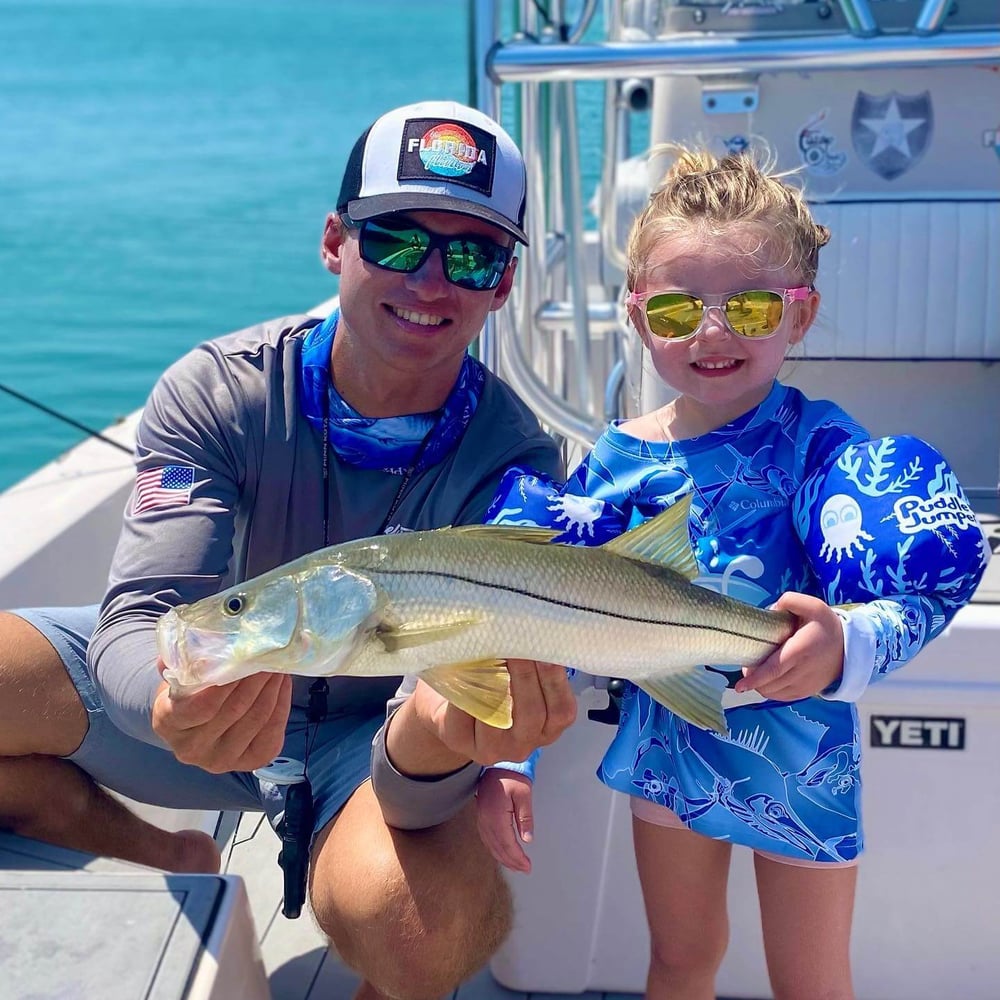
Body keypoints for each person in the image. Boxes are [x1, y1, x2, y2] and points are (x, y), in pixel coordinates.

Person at [0, 100, 578, 1000]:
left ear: (502, 285)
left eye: (472, 256)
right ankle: (165, 853)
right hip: (218, 687)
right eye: (395, 240)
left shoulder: (516, 457)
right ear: (333, 241)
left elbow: (471, 687)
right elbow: (142, 619)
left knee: (423, 934)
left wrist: (495, 753)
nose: (431, 282)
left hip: (374, 728)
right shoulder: (218, 391)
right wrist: (168, 700)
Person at [475, 144, 990, 999]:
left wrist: (849, 641)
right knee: (680, 961)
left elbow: (917, 587)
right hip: (671, 748)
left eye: (749, 308)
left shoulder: (824, 447)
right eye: (679, 313)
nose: (713, 333)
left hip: (804, 750)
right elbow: (540, 613)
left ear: (801, 314)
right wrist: (508, 760)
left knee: (813, 981)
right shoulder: (615, 467)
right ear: (639, 319)